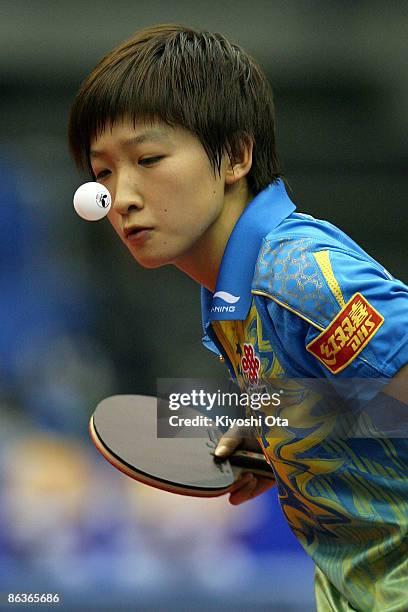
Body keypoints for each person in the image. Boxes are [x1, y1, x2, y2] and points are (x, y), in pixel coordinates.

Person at [68, 24, 408, 611]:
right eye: (102, 173)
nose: (120, 196)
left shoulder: (298, 279)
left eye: (148, 159)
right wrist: (277, 426)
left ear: (235, 156)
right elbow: (362, 401)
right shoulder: (234, 291)